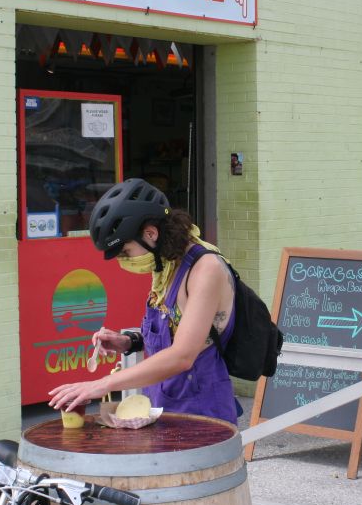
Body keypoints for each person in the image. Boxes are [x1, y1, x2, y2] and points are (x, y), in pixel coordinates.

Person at [48, 178, 239, 423]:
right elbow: (176, 327)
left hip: (202, 415)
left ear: (150, 233)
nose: (124, 261)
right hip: (161, 406)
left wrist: (102, 385)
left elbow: (183, 354)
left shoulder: (205, 269)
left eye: (126, 252)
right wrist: (129, 341)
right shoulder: (166, 264)